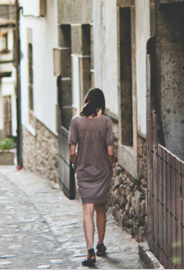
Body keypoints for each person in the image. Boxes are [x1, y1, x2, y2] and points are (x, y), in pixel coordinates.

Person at [69, 88, 115, 266]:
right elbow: (110, 151)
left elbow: (73, 152)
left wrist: (76, 166)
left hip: (84, 171)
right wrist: (108, 166)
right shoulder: (106, 122)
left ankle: (90, 252)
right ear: (101, 105)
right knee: (100, 208)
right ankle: (101, 245)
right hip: (102, 170)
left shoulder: (76, 121)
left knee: (87, 210)